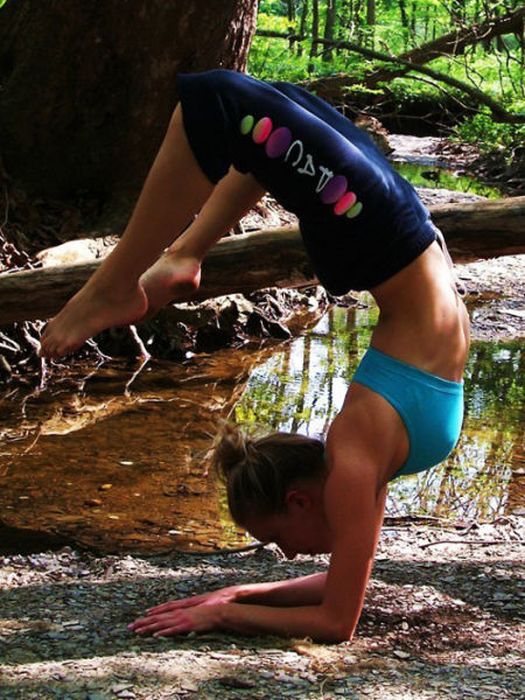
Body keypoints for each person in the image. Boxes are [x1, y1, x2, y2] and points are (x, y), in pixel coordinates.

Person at [39, 69, 469, 642]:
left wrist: (225, 610)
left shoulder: (355, 459)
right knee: (260, 129)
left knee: (221, 104)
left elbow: (335, 619)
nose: (285, 554)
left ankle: (124, 279)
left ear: (297, 500)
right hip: (388, 233)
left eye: (275, 538)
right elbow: (345, 593)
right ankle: (183, 254)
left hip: (386, 233)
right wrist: (240, 591)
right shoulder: (357, 464)